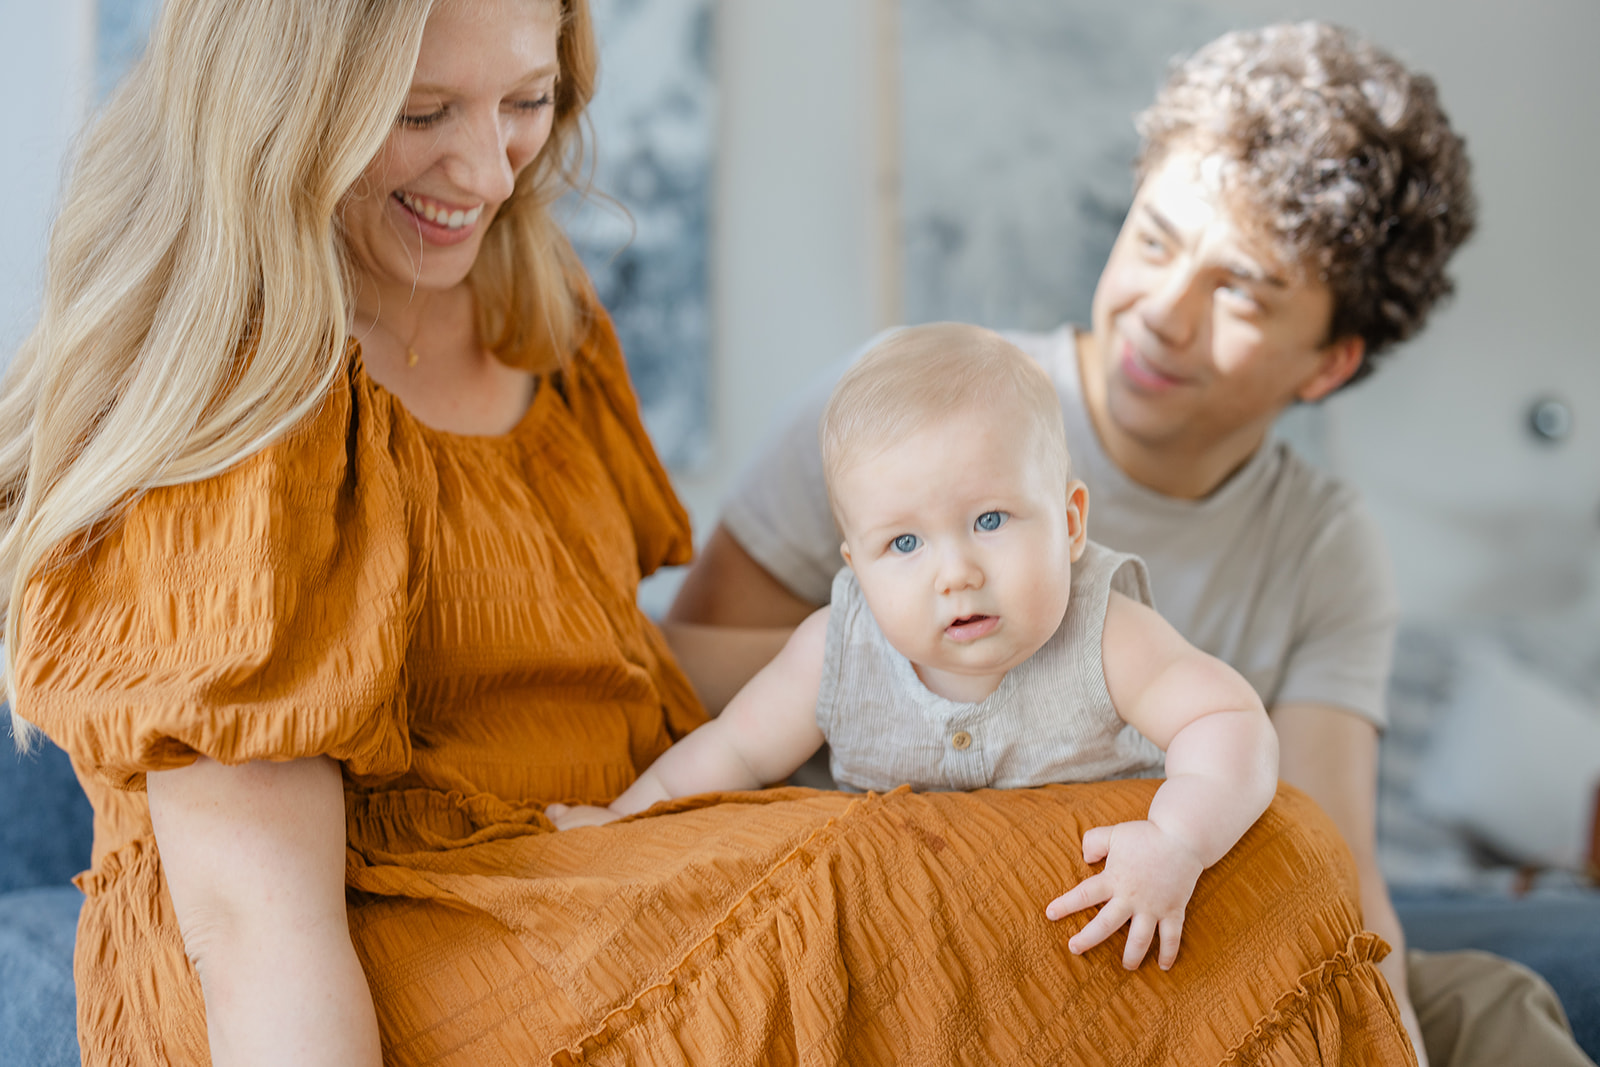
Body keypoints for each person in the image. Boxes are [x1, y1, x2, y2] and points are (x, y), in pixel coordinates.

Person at [0, 1, 1416, 1063]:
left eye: (528, 101)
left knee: (1258, 847)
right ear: (281, 102)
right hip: (395, 947)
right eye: (422, 112)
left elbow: (621, 667)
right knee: (878, 876)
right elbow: (257, 928)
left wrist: (1004, 664)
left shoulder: (537, 322)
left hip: (611, 856)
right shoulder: (241, 402)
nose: (486, 171)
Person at [668, 20, 1595, 1067]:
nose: (1162, 312)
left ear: (1326, 364)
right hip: (941, 935)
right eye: (1153, 238)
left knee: (1499, 1007)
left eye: (1240, 289)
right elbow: (686, 666)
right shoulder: (901, 423)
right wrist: (924, 656)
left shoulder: (1322, 543)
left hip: (1192, 928)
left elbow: (1329, 850)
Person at [551, 324, 1280, 974]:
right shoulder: (837, 651)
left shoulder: (1108, 634)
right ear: (856, 568)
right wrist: (622, 823)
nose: (955, 572)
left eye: (990, 518)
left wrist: (1176, 840)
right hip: (926, 943)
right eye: (903, 542)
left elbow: (1229, 721)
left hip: (1097, 926)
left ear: (1069, 522)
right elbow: (732, 753)